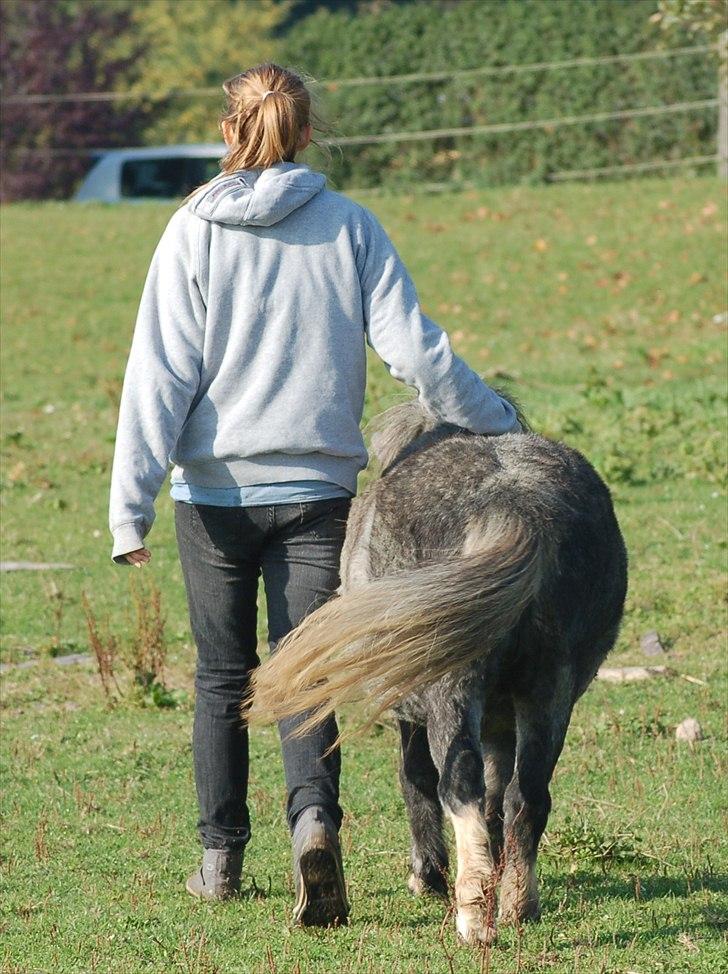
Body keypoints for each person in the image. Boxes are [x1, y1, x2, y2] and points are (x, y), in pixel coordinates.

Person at [108, 62, 519, 926]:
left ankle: (220, 861)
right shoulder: (349, 226)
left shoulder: (191, 232)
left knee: (223, 678)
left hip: (213, 497)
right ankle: (314, 827)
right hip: (317, 493)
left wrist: (129, 504)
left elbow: (158, 376)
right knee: (305, 673)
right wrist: (498, 422)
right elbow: (416, 353)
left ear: (231, 130)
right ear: (304, 132)